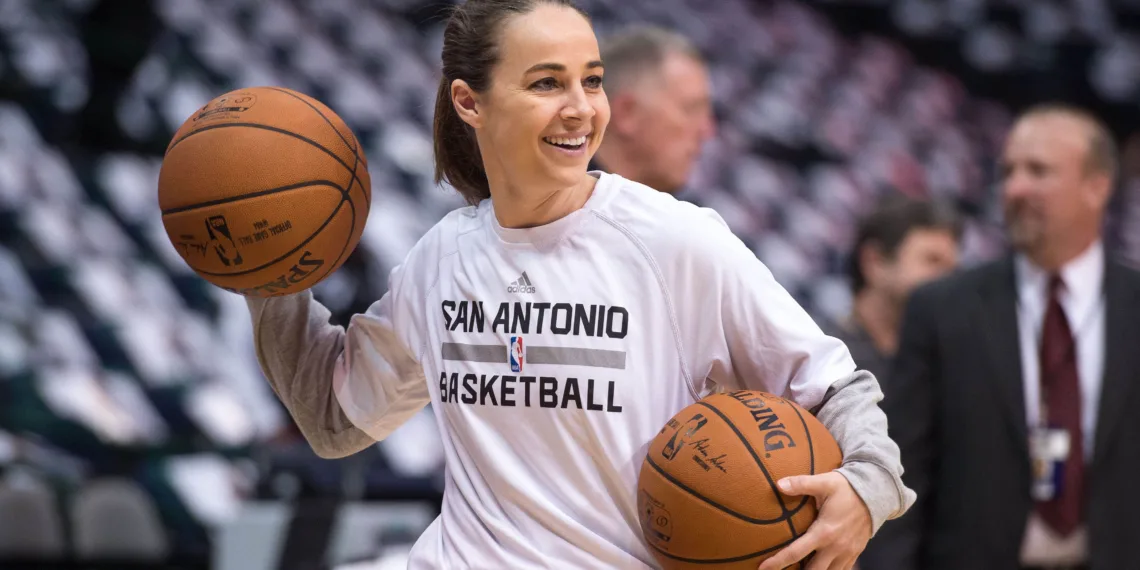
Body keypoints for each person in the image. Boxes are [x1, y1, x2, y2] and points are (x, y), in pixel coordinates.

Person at [245, 1, 914, 568]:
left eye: (590, 82)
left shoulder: (673, 240)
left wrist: (868, 485)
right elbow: (336, 420)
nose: (580, 109)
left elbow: (833, 387)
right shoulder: (441, 257)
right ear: (469, 102)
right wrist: (265, 274)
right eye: (546, 84)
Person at [880, 103, 1140, 570]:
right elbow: (902, 470)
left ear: (1096, 186)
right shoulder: (942, 309)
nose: (1014, 188)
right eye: (1008, 172)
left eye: (1038, 171)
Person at [830, 194, 962, 392]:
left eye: (952, 269)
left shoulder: (945, 369)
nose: (949, 280)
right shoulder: (823, 362)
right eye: (932, 261)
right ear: (874, 262)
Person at [588, 24, 715, 194]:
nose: (706, 131)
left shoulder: (675, 217)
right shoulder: (547, 202)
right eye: (689, 110)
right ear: (627, 113)